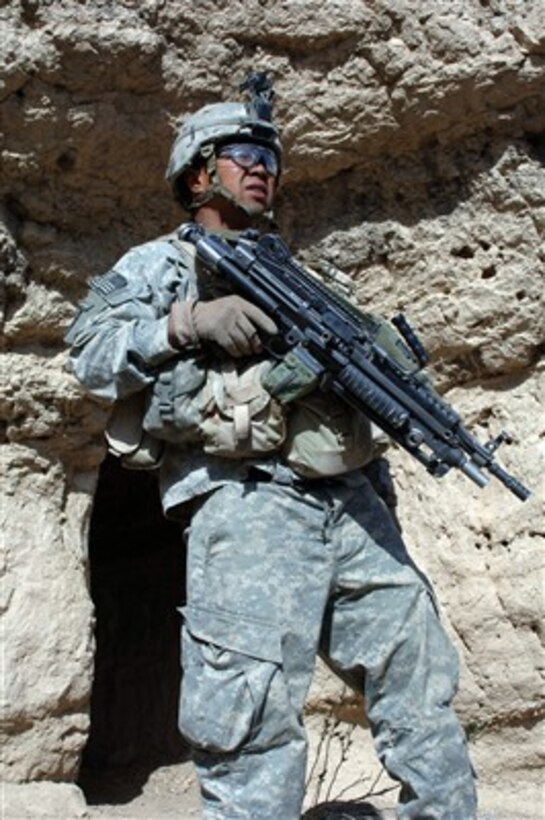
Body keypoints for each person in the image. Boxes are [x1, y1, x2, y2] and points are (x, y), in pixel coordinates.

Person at [66, 76, 477, 819]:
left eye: (271, 157)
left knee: (416, 680)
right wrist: (187, 322)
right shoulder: (158, 266)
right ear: (198, 172)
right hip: (246, 500)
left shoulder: (303, 271)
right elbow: (91, 356)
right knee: (248, 710)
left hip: (351, 499)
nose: (263, 167)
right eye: (242, 153)